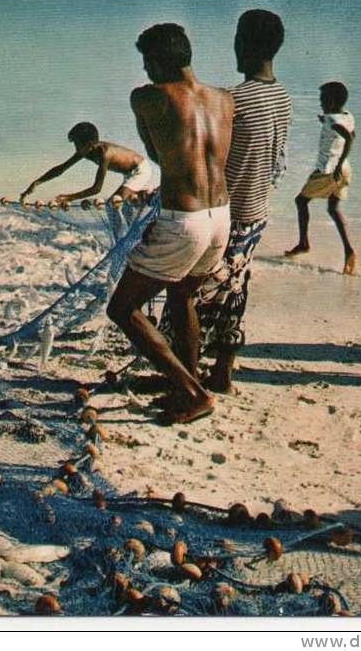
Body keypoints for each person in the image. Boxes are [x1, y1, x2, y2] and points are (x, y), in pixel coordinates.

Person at [158, 9, 293, 393]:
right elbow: (277, 161)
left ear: (243, 44)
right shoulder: (282, 98)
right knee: (235, 287)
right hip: (257, 212)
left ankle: (187, 378)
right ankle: (223, 370)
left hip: (225, 212)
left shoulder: (231, 101)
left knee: (190, 293)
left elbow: (207, 162)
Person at [105, 23, 234, 425]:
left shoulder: (147, 97)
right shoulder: (225, 99)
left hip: (185, 218)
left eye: (147, 61)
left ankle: (193, 392)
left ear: (159, 60)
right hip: (221, 216)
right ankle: (187, 381)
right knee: (183, 296)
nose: (145, 71)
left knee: (123, 309)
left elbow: (158, 155)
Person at [285, 82, 357, 274]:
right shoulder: (347, 116)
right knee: (333, 209)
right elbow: (352, 134)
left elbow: (348, 138)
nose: (320, 103)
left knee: (301, 201)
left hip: (328, 171)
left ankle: (303, 243)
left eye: (322, 100)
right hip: (345, 171)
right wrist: (326, 121)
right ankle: (349, 250)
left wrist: (338, 161)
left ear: (331, 102)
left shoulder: (332, 121)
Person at [20, 122, 158, 205]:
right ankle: (141, 195)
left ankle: (146, 195)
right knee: (120, 204)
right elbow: (61, 169)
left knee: (113, 204)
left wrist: (70, 197)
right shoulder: (85, 151)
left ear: (91, 144)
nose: (76, 149)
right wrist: (36, 183)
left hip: (140, 169)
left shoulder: (106, 154)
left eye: (78, 145)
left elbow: (97, 188)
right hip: (128, 172)